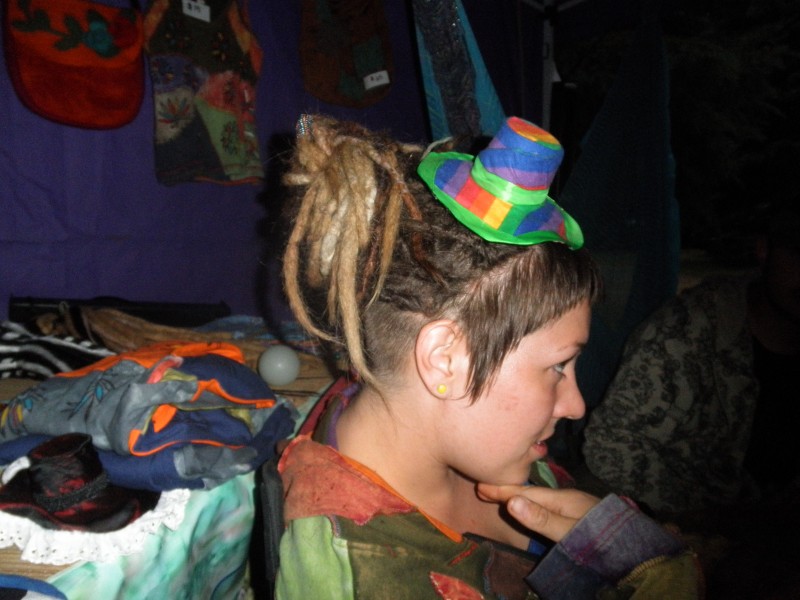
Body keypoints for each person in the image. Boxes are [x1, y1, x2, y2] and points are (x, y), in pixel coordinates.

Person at [274, 114, 702, 599]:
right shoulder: (367, 583)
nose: (575, 405)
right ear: (445, 360)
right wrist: (661, 579)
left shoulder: (434, 424)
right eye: (558, 367)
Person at [583, 199, 800, 516]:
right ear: (764, 251)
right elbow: (610, 445)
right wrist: (722, 519)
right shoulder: (688, 330)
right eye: (797, 254)